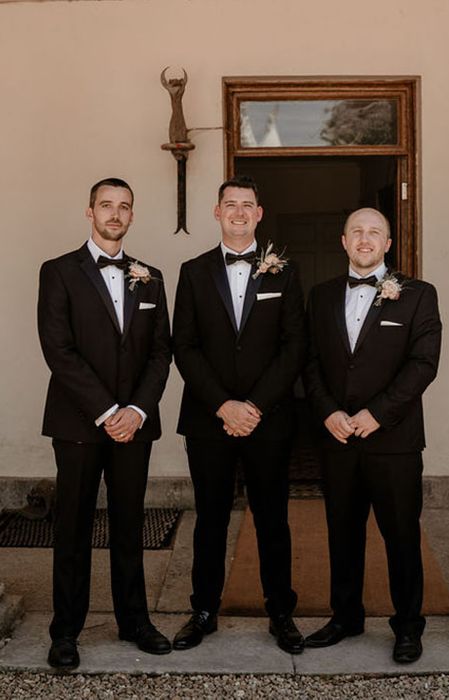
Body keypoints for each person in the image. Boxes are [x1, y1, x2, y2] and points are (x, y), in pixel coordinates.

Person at [37, 178, 172, 669]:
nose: (115, 213)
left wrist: (135, 410)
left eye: (124, 207)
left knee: (130, 523)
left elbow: (161, 353)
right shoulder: (58, 272)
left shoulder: (151, 276)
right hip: (78, 422)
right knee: (71, 527)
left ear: (132, 216)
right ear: (89, 211)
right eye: (106, 205)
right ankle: (65, 632)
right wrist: (106, 410)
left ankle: (134, 621)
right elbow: (59, 349)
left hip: (135, 425)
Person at [172, 176, 306, 654]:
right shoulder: (192, 271)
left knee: (273, 518)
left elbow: (295, 347)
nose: (239, 212)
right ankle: (203, 610)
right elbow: (183, 346)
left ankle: (281, 611)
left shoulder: (285, 273)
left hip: (268, 419)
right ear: (217, 212)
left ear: (260, 213)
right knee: (209, 518)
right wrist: (222, 405)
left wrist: (253, 406)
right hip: (209, 419)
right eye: (231, 204)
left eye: (247, 205)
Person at [303, 208, 442, 663]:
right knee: (341, 534)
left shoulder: (419, 295)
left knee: (401, 536)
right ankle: (345, 616)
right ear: (343, 241)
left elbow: (423, 364)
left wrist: (376, 414)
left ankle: (407, 626)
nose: (365, 240)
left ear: (387, 243)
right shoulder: (320, 296)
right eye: (357, 232)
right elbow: (310, 363)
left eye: (374, 233)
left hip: (393, 442)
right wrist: (328, 413)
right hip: (337, 439)